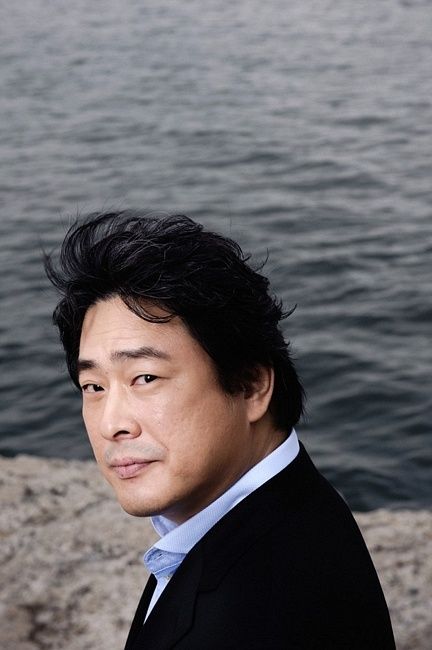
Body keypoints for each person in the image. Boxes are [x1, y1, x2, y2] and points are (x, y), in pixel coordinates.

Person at [45, 211, 395, 649]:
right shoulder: (294, 506)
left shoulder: (250, 616)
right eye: (93, 386)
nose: (112, 424)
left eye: (145, 378)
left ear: (251, 386)